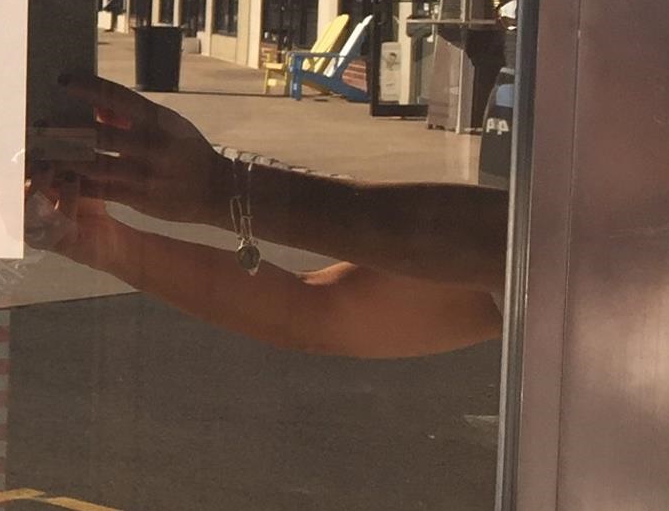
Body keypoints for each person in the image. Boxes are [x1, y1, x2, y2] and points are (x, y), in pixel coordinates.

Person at [30, 75, 506, 359]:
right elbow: (328, 310)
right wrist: (106, 245)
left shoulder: (537, 241)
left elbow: (510, 245)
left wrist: (220, 188)